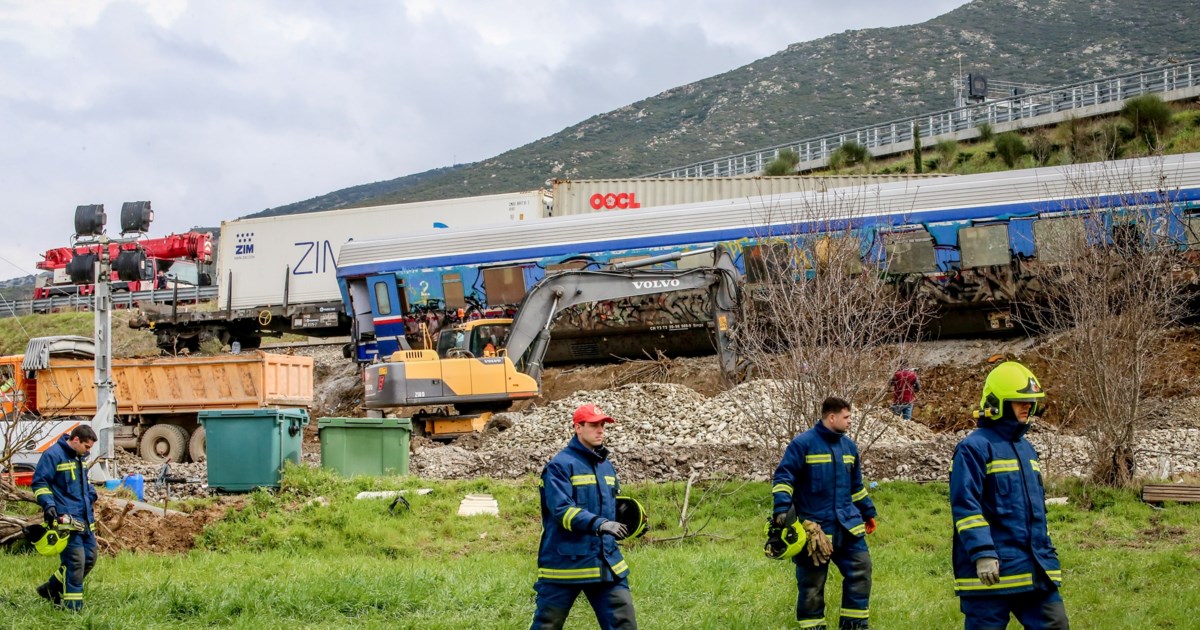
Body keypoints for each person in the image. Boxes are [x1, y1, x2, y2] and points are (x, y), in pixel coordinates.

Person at [950, 361, 1068, 629]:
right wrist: (982, 553)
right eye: (1019, 401)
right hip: (991, 573)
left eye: (1031, 402)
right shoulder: (973, 448)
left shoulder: (1027, 450)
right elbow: (966, 507)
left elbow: (1035, 511)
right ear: (998, 404)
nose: (1028, 407)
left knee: (1056, 624)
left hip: (1035, 568)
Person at [772, 397, 876, 629]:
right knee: (812, 586)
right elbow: (783, 479)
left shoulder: (849, 447)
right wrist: (782, 510)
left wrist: (868, 512)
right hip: (815, 531)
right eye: (846, 417)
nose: (850, 421)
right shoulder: (803, 444)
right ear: (832, 417)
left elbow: (856, 487)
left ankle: (854, 625)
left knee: (861, 570)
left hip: (848, 527)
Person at [531, 403, 637, 630]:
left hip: (606, 562)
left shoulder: (606, 466)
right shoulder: (559, 466)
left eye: (603, 425)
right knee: (547, 625)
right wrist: (601, 524)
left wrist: (628, 519)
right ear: (578, 427)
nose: (600, 430)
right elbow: (562, 511)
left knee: (624, 624)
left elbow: (610, 508)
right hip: (564, 565)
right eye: (594, 425)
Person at [31, 424, 99, 612]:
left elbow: (85, 482)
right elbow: (39, 483)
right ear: (76, 440)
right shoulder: (53, 455)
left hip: (84, 518)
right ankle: (73, 609)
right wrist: (49, 505)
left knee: (90, 558)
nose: (88, 451)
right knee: (76, 562)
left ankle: (51, 588)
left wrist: (92, 495)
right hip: (66, 519)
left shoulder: (80, 457)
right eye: (86, 446)